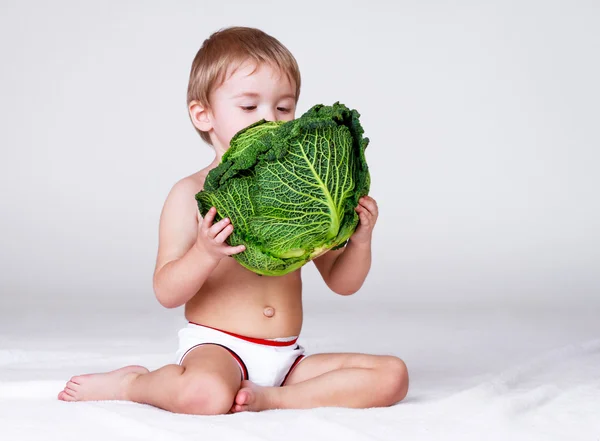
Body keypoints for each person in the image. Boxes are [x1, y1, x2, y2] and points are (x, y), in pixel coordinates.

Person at [57, 26, 408, 414]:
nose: (267, 120)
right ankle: (134, 382)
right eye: (248, 107)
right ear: (203, 114)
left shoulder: (297, 188)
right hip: (218, 348)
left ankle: (275, 399)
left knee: (393, 375)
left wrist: (359, 241)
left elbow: (342, 283)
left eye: (283, 107)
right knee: (204, 395)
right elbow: (166, 291)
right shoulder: (190, 193)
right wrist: (204, 253)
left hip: (287, 358)